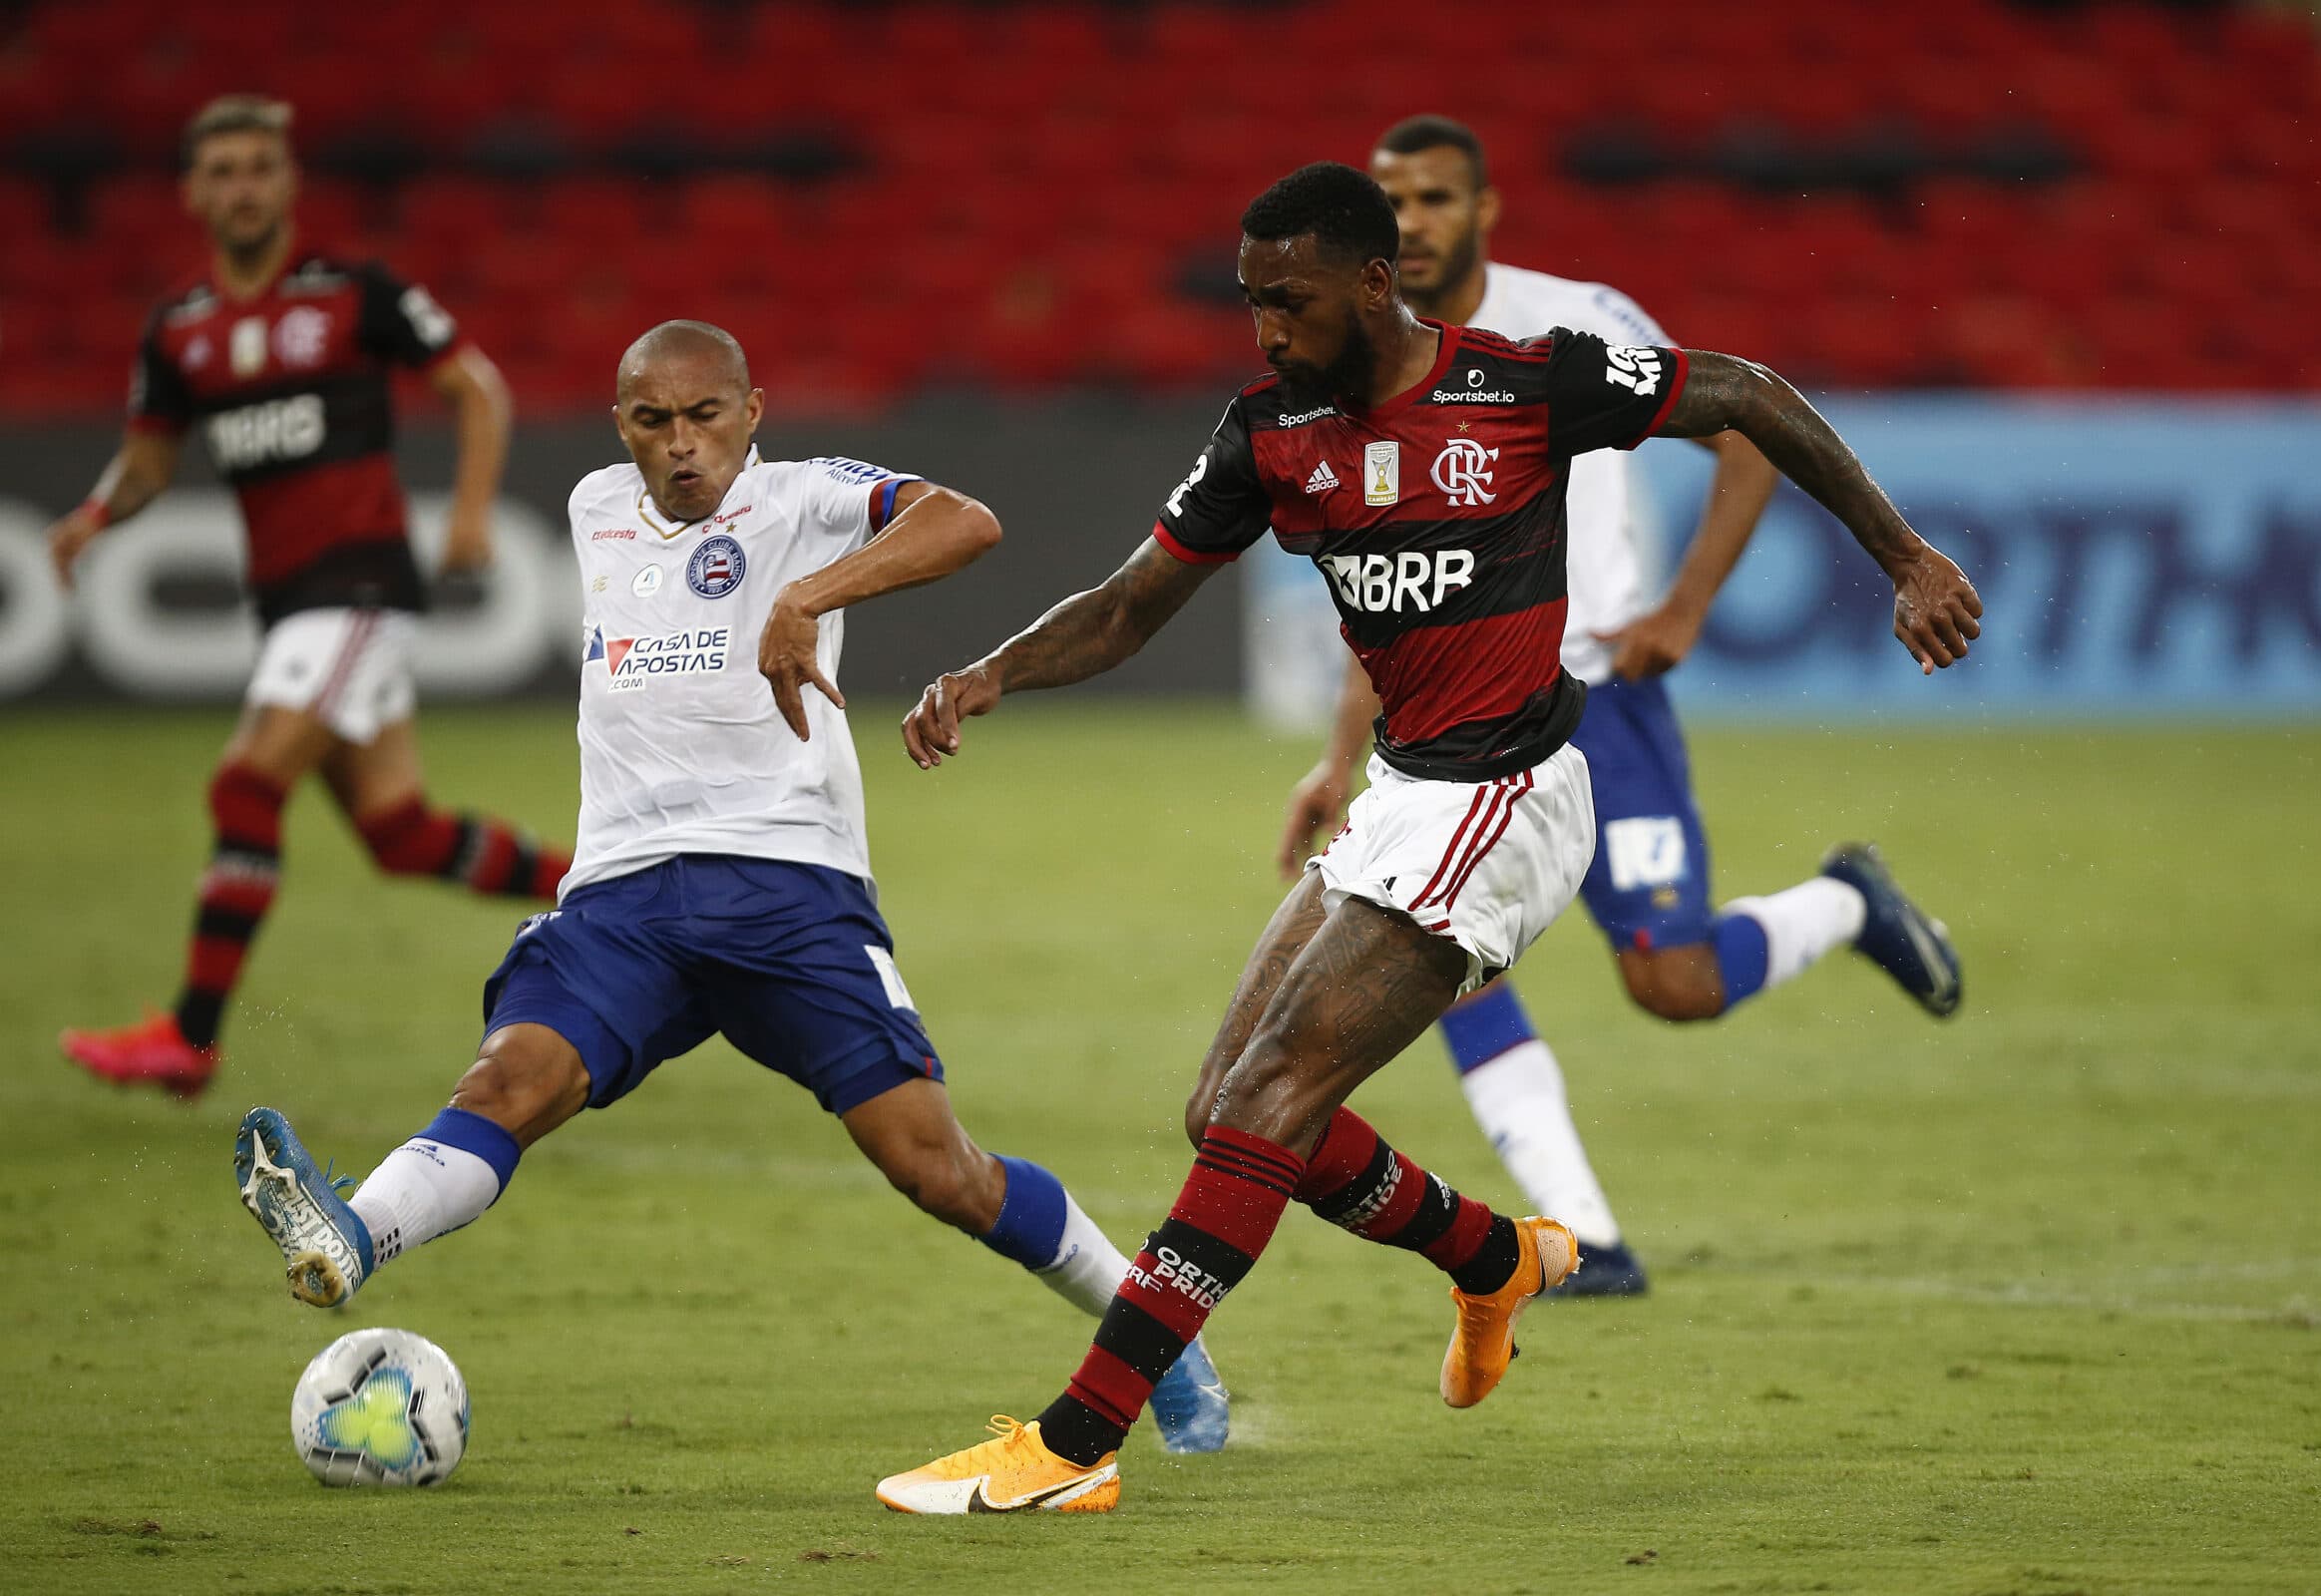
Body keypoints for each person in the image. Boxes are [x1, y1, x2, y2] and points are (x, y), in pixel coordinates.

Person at [876, 162, 1980, 1514]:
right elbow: (1127, 606)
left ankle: (1074, 1443)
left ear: (1371, 283)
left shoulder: (1523, 385)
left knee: (1266, 1105)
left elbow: (1745, 392)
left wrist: (1905, 557)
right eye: (1250, 302)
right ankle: (1494, 1259)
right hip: (1406, 795)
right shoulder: (1270, 432)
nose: (1267, 331)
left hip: (1512, 794)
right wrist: (992, 671)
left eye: (1289, 302)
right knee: (1227, 1111)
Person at [229, 320, 1231, 1454]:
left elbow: (967, 520)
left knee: (938, 1168)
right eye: (653, 421)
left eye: (705, 416)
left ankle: (1155, 1338)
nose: (681, 444)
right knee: (509, 1080)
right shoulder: (595, 506)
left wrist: (809, 597)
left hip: (784, 886)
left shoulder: (804, 497)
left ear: (751, 413)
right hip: (623, 895)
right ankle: (352, 1237)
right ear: (621, 426)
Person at [1276, 116, 1967, 1299]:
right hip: (1452, 725)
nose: (1416, 222)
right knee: (1429, 953)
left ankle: (1847, 902)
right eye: (1395, 202)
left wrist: (1686, 606)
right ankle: (1587, 1238)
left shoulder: (1573, 322)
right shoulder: (1368, 369)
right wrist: (1338, 762)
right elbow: (1388, 591)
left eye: (1438, 197)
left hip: (1599, 705)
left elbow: (1747, 430)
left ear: (1484, 210)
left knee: (1674, 982)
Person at [50, 95, 567, 1097]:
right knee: (400, 832)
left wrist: (469, 515)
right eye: (223, 171)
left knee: (245, 786)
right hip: (291, 603)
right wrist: (93, 516)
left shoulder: (353, 294)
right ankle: (604, 885)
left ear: (289, 183)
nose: (243, 187)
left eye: (259, 167)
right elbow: (148, 462)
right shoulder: (180, 331)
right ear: (193, 193)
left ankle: (191, 1038)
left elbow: (477, 388)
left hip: (359, 586)